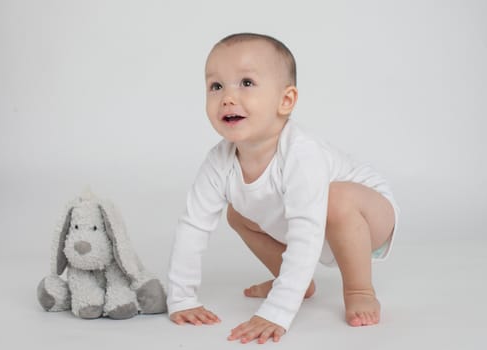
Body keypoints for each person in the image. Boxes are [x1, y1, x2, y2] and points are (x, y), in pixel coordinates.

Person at [167, 32, 399, 344]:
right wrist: (182, 299)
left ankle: (359, 289)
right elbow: (192, 225)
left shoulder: (301, 153)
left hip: (369, 219)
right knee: (237, 214)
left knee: (336, 199)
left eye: (246, 83)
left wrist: (276, 310)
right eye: (216, 86)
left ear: (285, 100)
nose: (227, 97)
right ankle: (297, 283)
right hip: (312, 221)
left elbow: (306, 232)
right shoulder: (218, 162)